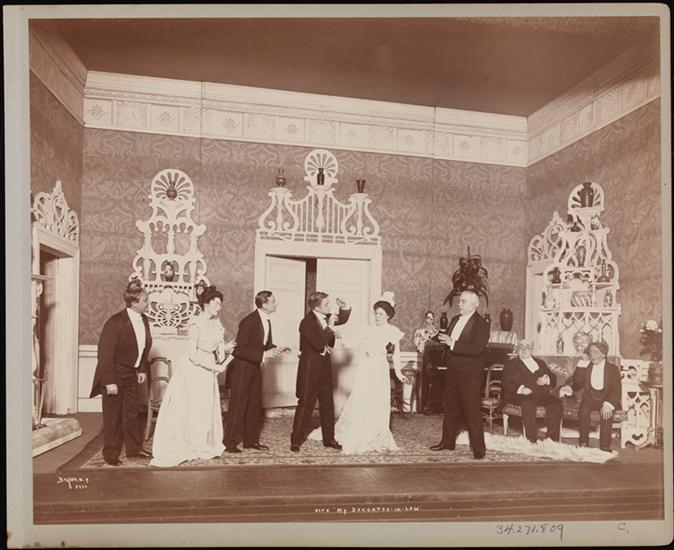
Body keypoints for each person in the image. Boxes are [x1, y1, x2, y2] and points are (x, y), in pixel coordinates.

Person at [150, 286, 235, 467]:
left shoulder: (216, 323)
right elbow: (192, 355)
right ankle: (192, 444)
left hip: (208, 367)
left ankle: (204, 444)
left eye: (220, 304)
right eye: (216, 303)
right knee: (194, 406)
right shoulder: (195, 324)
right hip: (193, 370)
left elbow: (217, 350)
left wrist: (226, 349)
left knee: (206, 406)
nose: (219, 307)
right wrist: (214, 366)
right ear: (206, 303)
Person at [329, 292, 408, 455]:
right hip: (366, 368)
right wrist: (340, 336)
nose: (377, 316)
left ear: (388, 316)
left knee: (378, 401)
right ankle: (358, 434)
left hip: (381, 370)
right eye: (376, 313)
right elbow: (351, 343)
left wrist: (399, 373)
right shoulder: (367, 330)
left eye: (381, 314)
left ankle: (374, 435)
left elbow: (396, 354)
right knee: (362, 399)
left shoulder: (393, 331)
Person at [90, 280, 153, 466]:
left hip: (131, 374)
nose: (148, 303)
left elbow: (143, 347)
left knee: (132, 413)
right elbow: (105, 354)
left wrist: (141, 369)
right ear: (133, 303)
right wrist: (109, 381)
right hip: (114, 374)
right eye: (145, 300)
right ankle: (110, 453)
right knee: (113, 416)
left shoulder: (144, 320)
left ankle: (134, 449)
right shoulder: (115, 322)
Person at [224, 291, 289, 453]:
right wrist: (264, 355)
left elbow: (264, 345)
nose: (276, 303)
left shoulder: (266, 320)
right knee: (238, 406)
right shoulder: (249, 321)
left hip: (254, 367)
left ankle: (250, 441)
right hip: (241, 369)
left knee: (254, 405)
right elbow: (239, 350)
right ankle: (229, 442)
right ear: (264, 305)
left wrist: (277, 348)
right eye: (273, 301)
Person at [430, 290, 490, 459]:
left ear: (475, 304)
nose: (459, 304)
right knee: (450, 408)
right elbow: (449, 341)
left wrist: (452, 343)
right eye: (460, 301)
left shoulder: (481, 324)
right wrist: (435, 336)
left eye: (463, 301)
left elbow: (477, 349)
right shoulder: (455, 319)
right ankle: (447, 442)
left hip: (470, 375)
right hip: (452, 371)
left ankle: (479, 449)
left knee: (472, 411)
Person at [290, 292, 351, 452]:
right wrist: (330, 327)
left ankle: (329, 439)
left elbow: (342, 319)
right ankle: (295, 440)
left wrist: (344, 307)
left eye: (329, 303)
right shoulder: (306, 323)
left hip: (325, 367)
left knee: (327, 405)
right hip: (310, 369)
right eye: (326, 304)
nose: (330, 307)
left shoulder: (326, 316)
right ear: (316, 307)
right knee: (305, 404)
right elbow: (318, 344)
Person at [559, 340, 621, 452]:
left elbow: (616, 390)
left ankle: (605, 445)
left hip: (607, 398)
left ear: (604, 354)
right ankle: (583, 442)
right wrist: (582, 363)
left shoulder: (613, 369)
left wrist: (609, 404)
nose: (592, 355)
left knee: (607, 414)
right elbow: (577, 384)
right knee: (583, 412)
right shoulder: (586, 366)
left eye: (596, 352)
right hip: (590, 397)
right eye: (591, 352)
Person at [502, 339, 563, 443]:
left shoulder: (540, 362)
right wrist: (521, 389)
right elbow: (506, 382)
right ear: (518, 348)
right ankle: (531, 440)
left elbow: (552, 377)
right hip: (521, 395)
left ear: (532, 349)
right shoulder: (511, 364)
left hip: (540, 394)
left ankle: (551, 439)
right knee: (528, 404)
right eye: (521, 346)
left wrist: (547, 379)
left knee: (556, 404)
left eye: (527, 347)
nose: (524, 349)